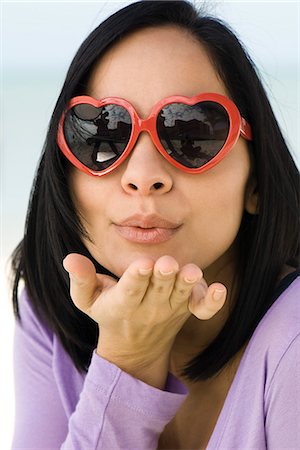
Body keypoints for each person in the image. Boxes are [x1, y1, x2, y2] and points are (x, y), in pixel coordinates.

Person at [10, 1, 300, 449]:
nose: (143, 174)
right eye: (103, 135)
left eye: (193, 134)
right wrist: (127, 360)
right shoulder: (51, 310)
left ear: (257, 182)